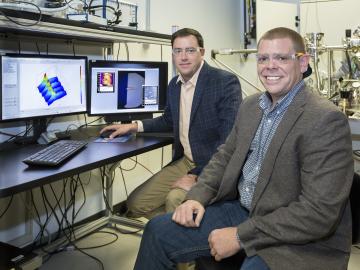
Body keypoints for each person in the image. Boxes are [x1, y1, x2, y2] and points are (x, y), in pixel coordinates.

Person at [133, 27, 354, 270]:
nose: (270, 66)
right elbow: (224, 157)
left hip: (294, 233)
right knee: (157, 232)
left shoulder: (324, 119)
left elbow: (318, 213)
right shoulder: (251, 106)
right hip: (243, 210)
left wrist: (240, 236)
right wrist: (197, 196)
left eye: (281, 58)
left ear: (302, 63)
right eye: (263, 58)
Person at [101, 28, 242, 219]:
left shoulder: (224, 82)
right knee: (135, 204)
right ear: (173, 54)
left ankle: (180, 240)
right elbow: (169, 119)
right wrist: (134, 126)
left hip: (213, 165)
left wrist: (197, 176)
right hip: (185, 161)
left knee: (174, 199)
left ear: (202, 52)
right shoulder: (175, 84)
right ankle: (177, 227)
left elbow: (228, 142)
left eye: (190, 50)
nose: (183, 57)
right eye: (178, 51)